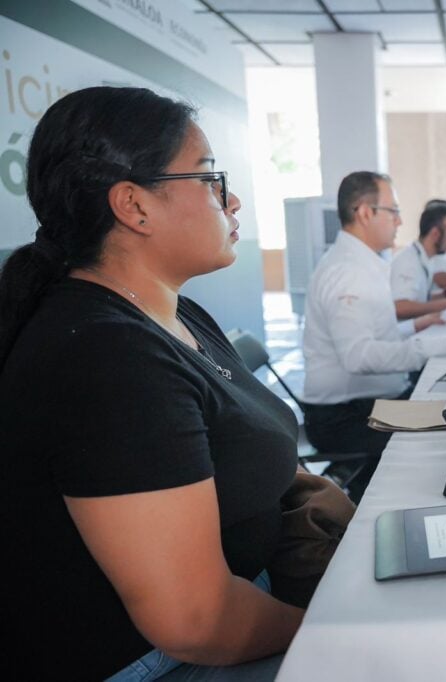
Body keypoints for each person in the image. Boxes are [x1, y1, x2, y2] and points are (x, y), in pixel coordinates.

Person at [0, 87, 305, 680]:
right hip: (161, 660)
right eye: (210, 179)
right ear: (134, 206)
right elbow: (196, 621)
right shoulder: (105, 356)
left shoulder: (173, 312)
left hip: (243, 600)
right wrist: (334, 623)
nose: (232, 199)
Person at [302, 172, 446, 500]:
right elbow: (360, 356)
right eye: (393, 211)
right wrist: (445, 346)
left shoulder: (361, 263)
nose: (400, 221)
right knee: (445, 437)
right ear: (364, 213)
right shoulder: (348, 272)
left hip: (364, 404)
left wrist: (418, 326)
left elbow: (375, 334)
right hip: (345, 418)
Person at [391, 203, 446, 320]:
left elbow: (420, 300)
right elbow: (400, 307)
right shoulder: (408, 261)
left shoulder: (424, 259)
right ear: (435, 234)